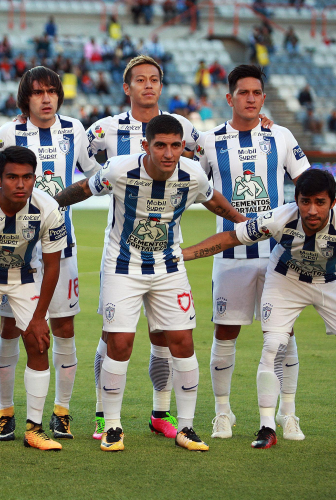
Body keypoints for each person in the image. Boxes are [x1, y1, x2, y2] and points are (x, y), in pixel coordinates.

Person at [54, 114, 247, 452]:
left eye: (176, 145)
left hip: (169, 268)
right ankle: (112, 426)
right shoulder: (118, 170)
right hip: (122, 267)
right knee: (120, 344)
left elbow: (212, 198)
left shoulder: (192, 174)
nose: (169, 153)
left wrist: (241, 219)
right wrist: (48, 204)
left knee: (182, 343)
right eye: (161, 145)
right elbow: (84, 188)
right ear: (146, 146)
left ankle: (186, 427)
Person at [181, 169, 336, 451]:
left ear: (333, 202)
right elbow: (229, 238)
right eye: (305, 201)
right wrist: (183, 253)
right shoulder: (278, 217)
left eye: (320, 202)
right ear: (295, 199)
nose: (312, 210)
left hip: (331, 283)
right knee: (273, 345)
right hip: (286, 279)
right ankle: (267, 427)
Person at [0, 66, 101, 442]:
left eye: (51, 91)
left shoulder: (74, 130)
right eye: (37, 92)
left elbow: (95, 174)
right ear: (25, 98)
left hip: (61, 247)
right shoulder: (8, 132)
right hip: (13, 251)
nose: (46, 98)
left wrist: (59, 200)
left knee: (62, 327)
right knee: (11, 327)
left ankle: (61, 413)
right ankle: (5, 413)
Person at [86, 55, 208, 441]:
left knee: (165, 337)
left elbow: (212, 154)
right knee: (114, 338)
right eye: (140, 80)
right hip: (122, 250)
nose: (148, 86)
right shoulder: (105, 128)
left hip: (167, 253)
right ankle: (104, 416)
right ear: (127, 87)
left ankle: (161, 413)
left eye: (154, 79)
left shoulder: (183, 127)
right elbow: (88, 167)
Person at [194, 65, 310, 441]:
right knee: (225, 332)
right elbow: (196, 187)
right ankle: (222, 413)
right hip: (231, 256)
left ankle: (288, 414)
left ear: (263, 97)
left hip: (279, 255)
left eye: (256, 93)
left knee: (283, 334)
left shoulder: (281, 135)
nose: (250, 98)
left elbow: (306, 182)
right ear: (230, 98)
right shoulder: (209, 142)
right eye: (243, 93)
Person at [0, 146, 66, 452]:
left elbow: (53, 265)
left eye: (27, 177)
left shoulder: (48, 209)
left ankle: (35, 429)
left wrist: (38, 318)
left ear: (34, 178)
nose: (21, 184)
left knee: (38, 342)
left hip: (25, 276)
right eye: (12, 177)